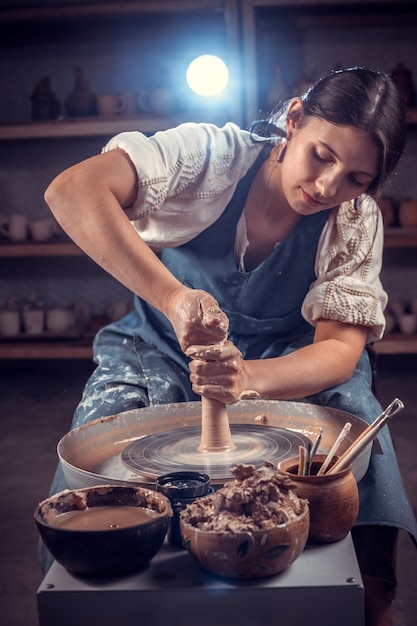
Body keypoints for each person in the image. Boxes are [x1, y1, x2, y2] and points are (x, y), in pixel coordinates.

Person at [42, 67, 416, 626]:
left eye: (357, 178)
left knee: (356, 424)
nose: (327, 187)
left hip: (289, 356)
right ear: (293, 120)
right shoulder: (211, 156)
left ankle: (370, 602)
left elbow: (339, 350)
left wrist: (249, 379)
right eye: (320, 155)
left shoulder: (355, 220)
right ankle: (87, 588)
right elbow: (70, 190)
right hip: (163, 340)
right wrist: (173, 298)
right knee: (106, 428)